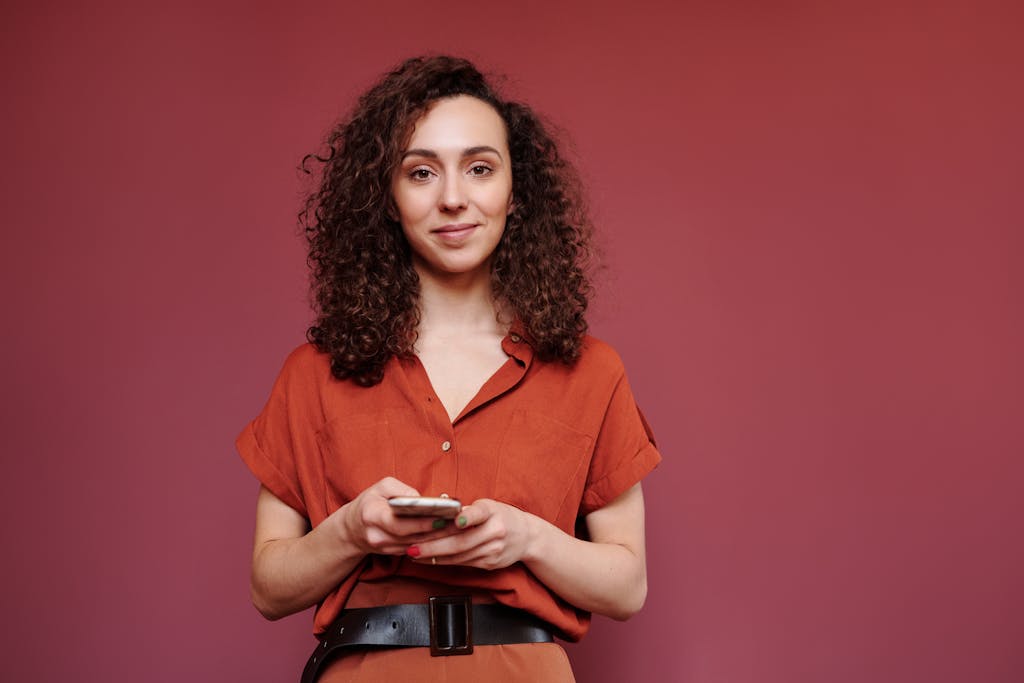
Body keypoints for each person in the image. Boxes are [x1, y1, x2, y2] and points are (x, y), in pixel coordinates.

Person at [237, 55, 661, 682]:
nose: (454, 198)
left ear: (515, 191)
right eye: (421, 172)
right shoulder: (313, 374)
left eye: (480, 168)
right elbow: (269, 589)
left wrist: (528, 539)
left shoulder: (592, 371)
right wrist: (353, 529)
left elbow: (627, 587)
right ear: (387, 195)